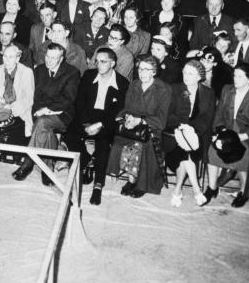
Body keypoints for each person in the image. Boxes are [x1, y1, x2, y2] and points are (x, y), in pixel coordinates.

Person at [203, 62, 249, 207]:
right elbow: (219, 113)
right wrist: (220, 130)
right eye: (234, 75)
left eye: (240, 76)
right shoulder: (227, 90)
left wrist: (244, 136)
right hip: (227, 129)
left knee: (244, 156)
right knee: (213, 150)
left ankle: (243, 192)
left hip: (247, 135)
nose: (235, 79)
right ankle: (212, 187)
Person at [68, 47, 130, 205]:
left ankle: (98, 186)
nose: (99, 64)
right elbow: (79, 103)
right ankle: (88, 159)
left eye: (103, 61)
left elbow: (118, 111)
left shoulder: (122, 83)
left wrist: (100, 124)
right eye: (97, 61)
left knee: (103, 144)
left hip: (107, 119)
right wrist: (86, 123)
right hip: (88, 116)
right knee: (70, 135)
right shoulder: (88, 76)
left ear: (113, 63)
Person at [12, 42, 80, 184]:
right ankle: (47, 169)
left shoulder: (72, 72)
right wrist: (39, 110)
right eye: (47, 56)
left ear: (61, 59)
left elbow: (68, 99)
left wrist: (47, 109)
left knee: (42, 122)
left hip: (62, 115)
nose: (48, 60)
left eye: (53, 58)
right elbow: (35, 96)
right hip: (39, 111)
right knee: (45, 130)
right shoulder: (39, 70)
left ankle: (28, 163)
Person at [109, 54, 172, 197]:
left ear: (154, 72)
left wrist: (141, 120)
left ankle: (140, 184)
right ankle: (131, 180)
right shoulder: (134, 84)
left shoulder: (163, 89)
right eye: (140, 69)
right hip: (132, 126)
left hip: (151, 128)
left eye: (147, 69)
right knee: (118, 142)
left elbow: (161, 121)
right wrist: (126, 117)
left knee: (141, 146)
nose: (142, 73)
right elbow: (127, 108)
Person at [165, 59, 216, 207]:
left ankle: (178, 189)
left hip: (198, 134)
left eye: (191, 73)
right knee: (184, 150)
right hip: (174, 132)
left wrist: (192, 129)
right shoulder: (174, 89)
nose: (186, 76)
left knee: (186, 152)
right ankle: (196, 189)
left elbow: (208, 117)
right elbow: (167, 114)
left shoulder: (208, 93)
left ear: (200, 76)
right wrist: (182, 126)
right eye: (185, 72)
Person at [0, 42, 35, 146]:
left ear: (17, 59)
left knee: (11, 130)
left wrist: (10, 108)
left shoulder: (26, 72)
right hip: (0, 109)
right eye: (5, 56)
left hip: (19, 111)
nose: (6, 60)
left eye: (11, 57)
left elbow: (28, 100)